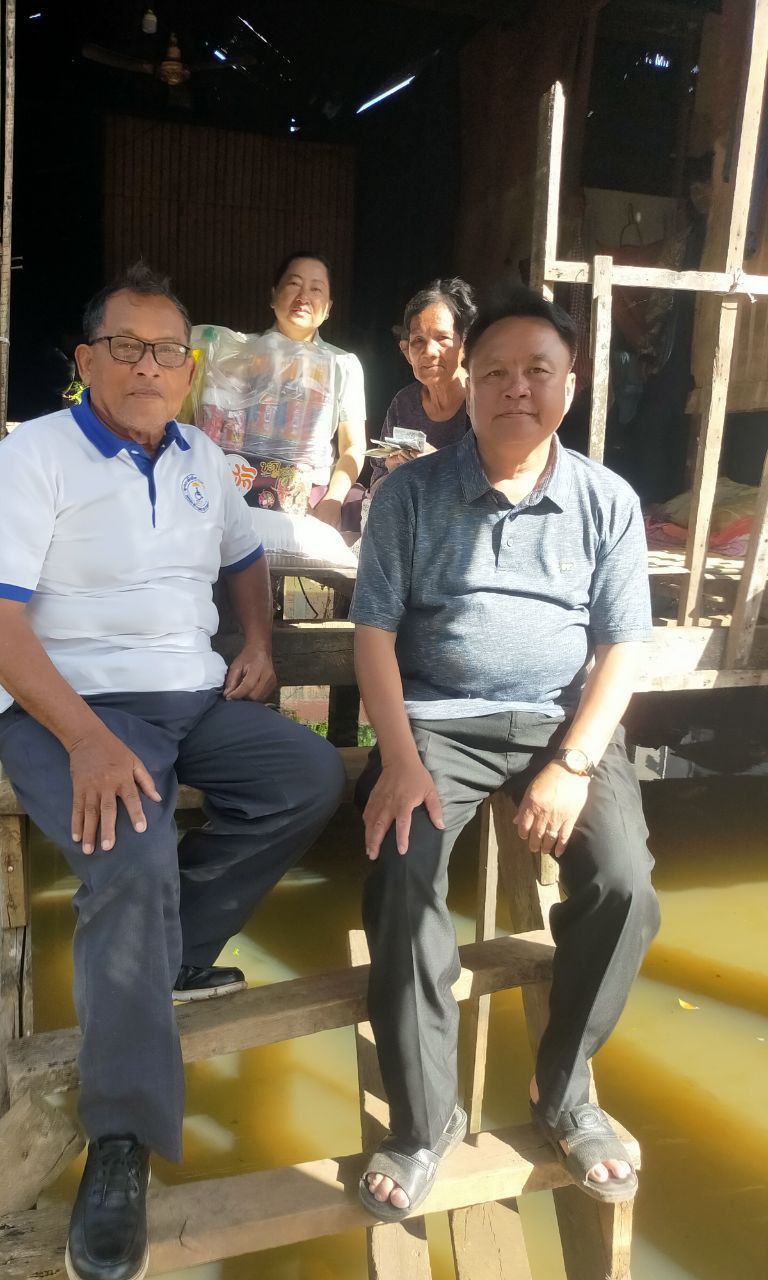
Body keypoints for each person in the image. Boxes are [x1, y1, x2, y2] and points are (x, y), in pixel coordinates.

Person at [0, 261, 346, 1280]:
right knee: (131, 853)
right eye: (126, 347)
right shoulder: (27, 459)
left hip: (191, 695)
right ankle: (122, 1137)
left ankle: (173, 955)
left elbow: (245, 555)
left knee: (308, 777)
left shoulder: (202, 459)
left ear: (188, 370)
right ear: (86, 361)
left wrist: (256, 640)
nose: (148, 367)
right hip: (65, 703)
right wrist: (88, 739)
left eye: (168, 351)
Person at [349, 285, 660, 1222]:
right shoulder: (409, 495)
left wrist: (573, 764)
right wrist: (398, 758)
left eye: (537, 370)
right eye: (494, 372)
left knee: (626, 884)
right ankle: (424, 1121)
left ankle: (562, 1092)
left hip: (561, 727)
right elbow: (373, 637)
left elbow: (623, 650)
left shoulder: (606, 501)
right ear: (466, 380)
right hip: (438, 723)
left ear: (570, 383)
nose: (514, 388)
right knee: (402, 867)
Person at [267, 250, 367, 529]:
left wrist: (333, 500)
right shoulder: (239, 355)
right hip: (243, 484)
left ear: (328, 307)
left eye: (316, 289)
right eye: (294, 284)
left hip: (312, 499)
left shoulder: (343, 365)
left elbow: (353, 446)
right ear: (273, 295)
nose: (304, 296)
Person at [370, 277, 475, 486]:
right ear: (406, 352)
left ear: (464, 345)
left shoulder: (485, 402)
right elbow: (377, 480)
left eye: (442, 338)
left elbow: (501, 481)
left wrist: (438, 464)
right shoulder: (404, 404)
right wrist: (393, 472)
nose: (429, 351)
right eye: (418, 341)